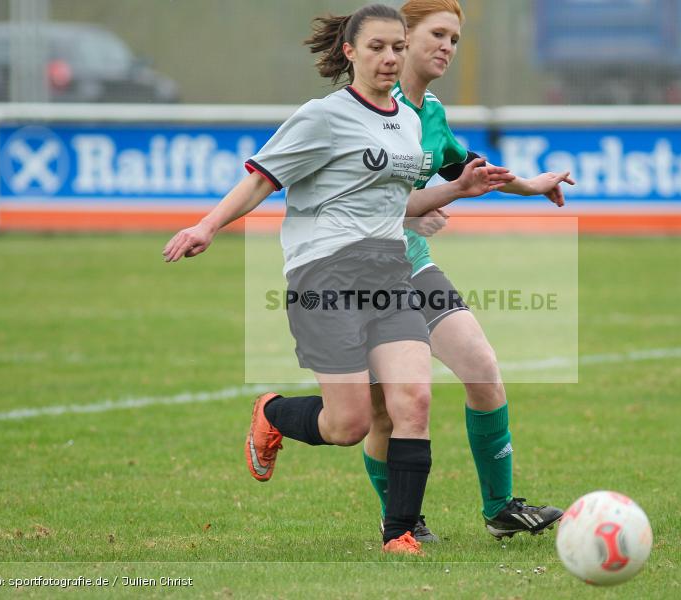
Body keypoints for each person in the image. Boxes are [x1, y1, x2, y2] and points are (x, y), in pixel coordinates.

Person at [162, 4, 510, 555]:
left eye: (397, 47)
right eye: (377, 47)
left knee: (413, 400)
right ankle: (272, 411)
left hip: (390, 272)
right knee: (347, 424)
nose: (390, 57)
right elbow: (260, 180)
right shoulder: (322, 116)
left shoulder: (411, 121)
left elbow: (403, 200)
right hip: (324, 274)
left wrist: (457, 188)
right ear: (350, 52)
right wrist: (207, 225)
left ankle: (399, 534)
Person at [361, 0, 576, 543]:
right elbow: (353, 193)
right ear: (402, 37)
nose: (447, 48)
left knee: (482, 369)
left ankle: (501, 507)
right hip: (359, 274)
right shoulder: (362, 108)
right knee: (380, 414)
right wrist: (412, 205)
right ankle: (402, 521)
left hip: (412, 265)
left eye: (455, 39)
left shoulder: (430, 111)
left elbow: (466, 169)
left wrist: (532, 184)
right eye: (438, 34)